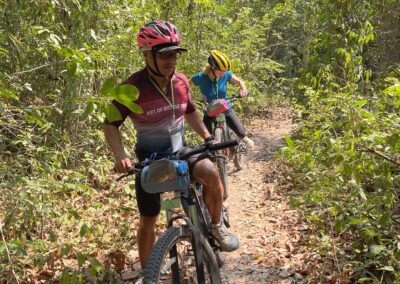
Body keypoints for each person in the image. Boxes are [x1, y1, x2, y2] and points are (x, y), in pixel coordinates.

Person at [103, 21, 239, 269]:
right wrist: (120, 154)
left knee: (211, 173)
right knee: (148, 219)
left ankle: (216, 227)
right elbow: (110, 124)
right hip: (150, 157)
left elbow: (191, 112)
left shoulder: (181, 81)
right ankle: (149, 273)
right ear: (146, 55)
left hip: (181, 150)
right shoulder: (131, 87)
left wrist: (208, 137)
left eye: (175, 53)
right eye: (164, 54)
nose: (171, 59)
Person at [190, 50, 254, 148]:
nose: (223, 74)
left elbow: (240, 82)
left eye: (224, 72)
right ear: (212, 68)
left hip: (225, 107)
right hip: (210, 110)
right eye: (220, 72)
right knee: (208, 141)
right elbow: (184, 85)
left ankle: (240, 140)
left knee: (241, 133)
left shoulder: (226, 74)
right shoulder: (200, 77)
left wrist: (243, 90)